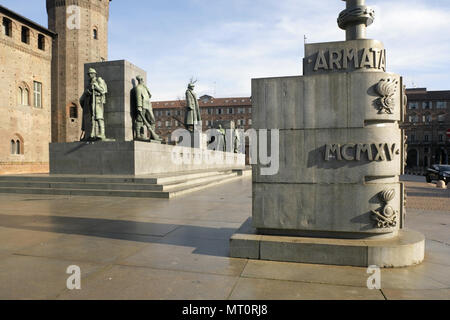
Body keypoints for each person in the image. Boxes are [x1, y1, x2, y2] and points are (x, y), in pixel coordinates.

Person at [80, 68, 108, 140]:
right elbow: (85, 94)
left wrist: (96, 86)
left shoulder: (99, 80)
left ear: (94, 74)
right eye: (88, 74)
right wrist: (87, 92)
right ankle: (92, 133)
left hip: (98, 102)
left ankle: (102, 134)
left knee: (99, 117)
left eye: (91, 73)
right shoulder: (89, 82)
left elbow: (103, 90)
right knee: (92, 117)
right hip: (91, 102)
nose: (89, 75)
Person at [134, 75, 161, 141]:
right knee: (140, 120)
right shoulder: (138, 88)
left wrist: (146, 87)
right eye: (142, 79)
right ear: (140, 80)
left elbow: (149, 95)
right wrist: (139, 106)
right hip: (142, 105)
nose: (143, 81)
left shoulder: (144, 87)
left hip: (148, 105)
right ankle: (138, 135)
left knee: (152, 120)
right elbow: (138, 98)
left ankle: (152, 135)